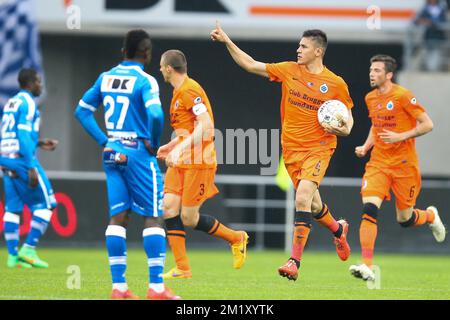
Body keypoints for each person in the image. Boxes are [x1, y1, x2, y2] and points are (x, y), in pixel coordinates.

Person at [211, 22, 353, 281]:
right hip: (291, 150)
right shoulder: (289, 70)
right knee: (313, 203)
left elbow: (347, 119)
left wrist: (345, 130)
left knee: (301, 199)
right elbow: (251, 64)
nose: (298, 49)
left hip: (319, 149)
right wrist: (227, 41)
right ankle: (338, 229)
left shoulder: (335, 83)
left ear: (318, 51)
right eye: (298, 45)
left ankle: (294, 261)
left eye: (303, 46)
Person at [74, 29, 180, 300]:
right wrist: (152, 142)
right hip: (137, 153)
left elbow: (82, 111)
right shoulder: (145, 81)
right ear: (147, 53)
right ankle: (156, 288)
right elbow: (155, 114)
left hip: (112, 153)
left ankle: (118, 287)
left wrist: (104, 141)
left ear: (123, 51)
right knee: (153, 216)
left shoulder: (106, 77)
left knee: (118, 217)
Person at [350, 54, 446, 281]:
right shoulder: (370, 98)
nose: (372, 74)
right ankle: (366, 265)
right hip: (379, 163)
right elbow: (376, 125)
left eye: (377, 71)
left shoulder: (403, 96)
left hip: (404, 165)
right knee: (369, 209)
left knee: (405, 219)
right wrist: (365, 146)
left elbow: (427, 124)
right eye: (371, 70)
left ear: (389, 74)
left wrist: (400, 136)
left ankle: (430, 216)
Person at [157, 49, 249, 279]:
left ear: (169, 68)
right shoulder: (179, 92)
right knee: (168, 206)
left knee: (189, 218)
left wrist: (179, 149)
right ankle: (182, 268)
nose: (160, 70)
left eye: (161, 66)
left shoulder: (190, 90)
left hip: (199, 161)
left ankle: (236, 238)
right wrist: (172, 146)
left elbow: (205, 125)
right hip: (181, 161)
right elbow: (188, 129)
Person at [0, 68, 58, 269]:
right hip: (22, 161)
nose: (41, 86)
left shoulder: (11, 102)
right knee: (48, 204)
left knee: (13, 209)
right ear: (31, 83)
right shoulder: (29, 103)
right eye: (39, 82)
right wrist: (31, 165)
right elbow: (23, 136)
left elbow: (11, 133)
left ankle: (13, 257)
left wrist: (39, 142)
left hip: (5, 159)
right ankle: (29, 249)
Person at [414, 0, 447, 71]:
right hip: (428, 36)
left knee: (436, 54)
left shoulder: (441, 9)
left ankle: (434, 70)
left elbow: (443, 21)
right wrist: (425, 21)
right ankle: (429, 69)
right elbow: (416, 20)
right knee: (427, 53)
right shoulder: (425, 9)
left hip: (438, 36)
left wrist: (431, 22)